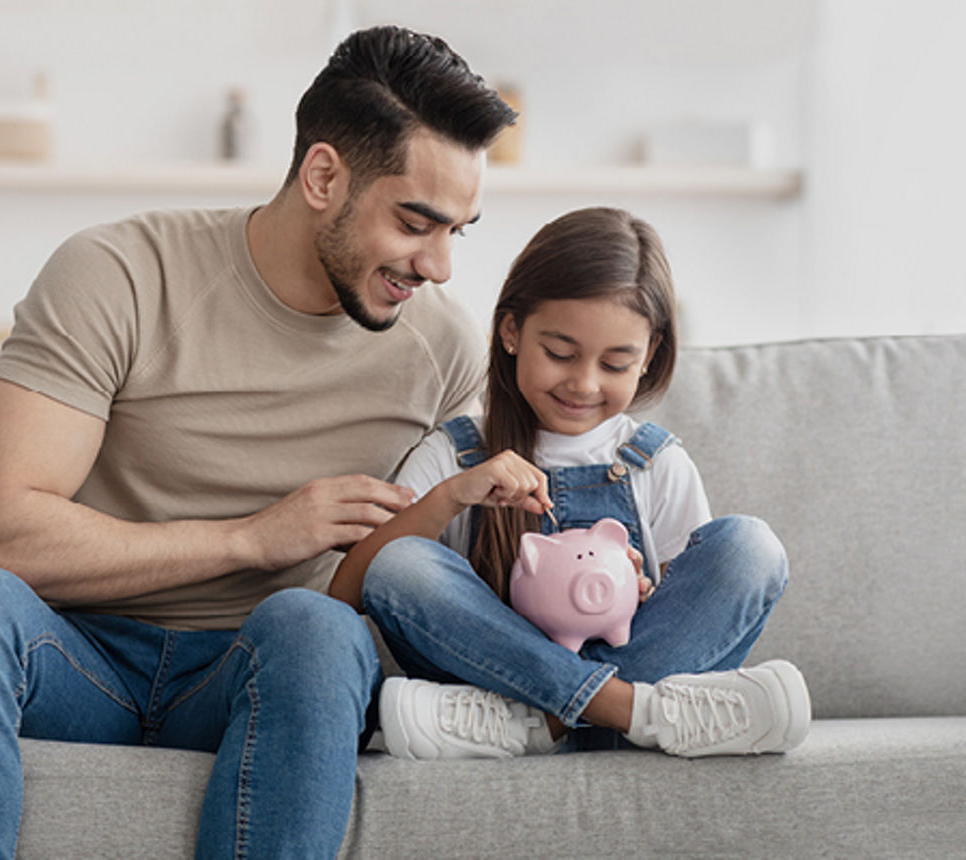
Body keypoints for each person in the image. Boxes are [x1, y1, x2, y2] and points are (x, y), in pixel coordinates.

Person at [0, 26, 516, 859]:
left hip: (260, 672)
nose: (438, 266)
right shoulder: (121, 274)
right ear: (323, 175)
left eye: (456, 232)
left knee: (321, 632)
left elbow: (467, 545)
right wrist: (252, 538)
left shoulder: (443, 347)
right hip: (80, 656)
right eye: (414, 223)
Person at [329, 207, 811, 759]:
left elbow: (689, 617)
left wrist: (645, 589)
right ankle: (633, 714)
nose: (583, 383)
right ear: (510, 331)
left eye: (615, 364)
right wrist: (453, 495)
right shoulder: (456, 452)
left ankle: (538, 724)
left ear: (649, 355)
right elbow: (351, 592)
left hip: (497, 709)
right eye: (559, 353)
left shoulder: (656, 463)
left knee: (751, 548)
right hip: (497, 678)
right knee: (400, 563)